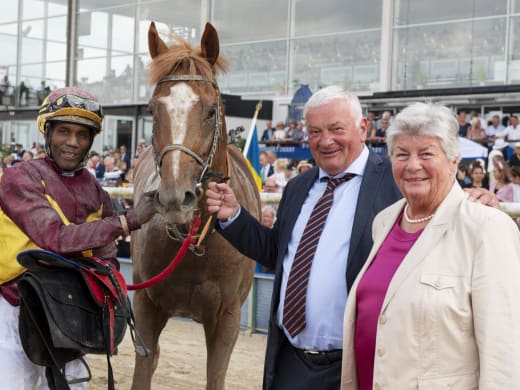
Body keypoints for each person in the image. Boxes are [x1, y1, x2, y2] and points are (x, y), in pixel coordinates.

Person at [205, 85, 402, 389]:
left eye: (336, 129)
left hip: (357, 367)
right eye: (314, 132)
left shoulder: (396, 183)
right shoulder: (298, 187)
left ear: (363, 128)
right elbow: (276, 252)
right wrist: (233, 215)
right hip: (290, 364)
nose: (325, 141)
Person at [341, 102, 520, 389]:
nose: (413, 166)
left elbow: (504, 353)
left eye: (426, 154)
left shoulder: (487, 228)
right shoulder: (384, 222)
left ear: (452, 160)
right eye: (402, 154)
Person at [0, 86, 158, 389]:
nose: (73, 142)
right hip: (13, 306)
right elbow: (55, 239)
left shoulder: (96, 191)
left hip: (64, 310)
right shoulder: (19, 177)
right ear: (47, 132)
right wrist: (129, 220)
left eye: (82, 135)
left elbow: (103, 254)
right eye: (64, 131)